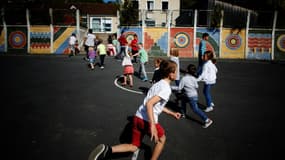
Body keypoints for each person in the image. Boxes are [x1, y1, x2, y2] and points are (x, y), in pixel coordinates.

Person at [88, 60, 182, 160]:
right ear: (170, 74)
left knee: (134, 146)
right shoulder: (166, 89)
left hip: (138, 117)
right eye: (176, 71)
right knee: (161, 140)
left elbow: (156, 105)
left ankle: (107, 150)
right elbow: (150, 103)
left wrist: (172, 113)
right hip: (147, 120)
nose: (177, 73)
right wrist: (153, 125)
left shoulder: (157, 84)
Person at [178, 64, 213, 128]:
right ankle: (183, 113)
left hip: (190, 97)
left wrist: (172, 88)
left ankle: (207, 120)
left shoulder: (184, 79)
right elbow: (196, 86)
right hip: (194, 95)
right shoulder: (194, 78)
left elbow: (179, 88)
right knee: (183, 100)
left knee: (195, 109)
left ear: (187, 70)